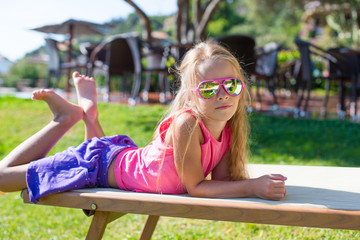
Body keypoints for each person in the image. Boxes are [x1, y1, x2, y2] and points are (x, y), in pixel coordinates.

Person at [0, 41, 287, 203]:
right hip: (94, 164)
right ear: (190, 96)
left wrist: (255, 184)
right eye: (210, 88)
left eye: (232, 85)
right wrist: (252, 187)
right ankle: (64, 119)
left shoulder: (228, 126)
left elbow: (222, 184)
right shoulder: (186, 123)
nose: (223, 95)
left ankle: (89, 112)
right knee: (2, 179)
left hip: (119, 158)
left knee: (98, 147)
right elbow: (197, 187)